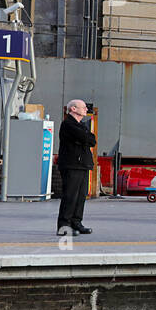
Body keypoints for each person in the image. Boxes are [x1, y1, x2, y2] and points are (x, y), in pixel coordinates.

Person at [57, 99, 96, 235]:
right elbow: (86, 138)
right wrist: (86, 137)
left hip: (83, 165)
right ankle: (63, 226)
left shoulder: (81, 125)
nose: (86, 109)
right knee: (70, 196)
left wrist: (86, 137)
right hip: (72, 165)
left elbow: (92, 140)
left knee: (80, 196)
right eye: (83, 107)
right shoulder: (68, 124)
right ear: (73, 109)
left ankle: (76, 222)